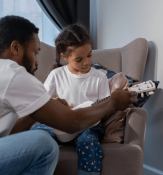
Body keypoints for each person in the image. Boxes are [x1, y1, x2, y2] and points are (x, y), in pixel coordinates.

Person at [0, 15, 138, 175]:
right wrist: (112, 103)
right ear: (16, 48)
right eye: (35, 52)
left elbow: (8, 133)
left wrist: (37, 112)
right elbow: (71, 122)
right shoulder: (12, 73)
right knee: (43, 144)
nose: (38, 61)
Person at [31, 24, 109, 175]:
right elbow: (42, 100)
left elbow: (105, 107)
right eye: (79, 59)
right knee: (36, 133)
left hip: (87, 126)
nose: (86, 62)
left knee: (89, 142)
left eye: (89, 55)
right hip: (59, 125)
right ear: (65, 57)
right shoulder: (56, 75)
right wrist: (55, 101)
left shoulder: (100, 77)